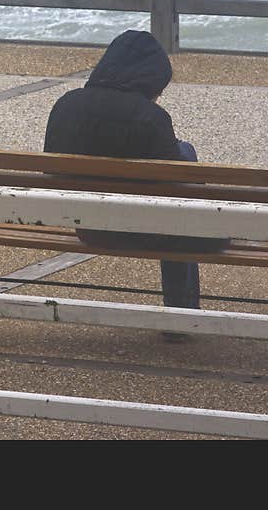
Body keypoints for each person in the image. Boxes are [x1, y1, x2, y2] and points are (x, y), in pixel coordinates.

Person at [43, 30, 228, 332]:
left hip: (90, 228)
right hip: (147, 231)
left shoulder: (66, 105)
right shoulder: (150, 118)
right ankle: (181, 316)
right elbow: (178, 194)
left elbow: (51, 172)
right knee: (184, 168)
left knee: (177, 181)